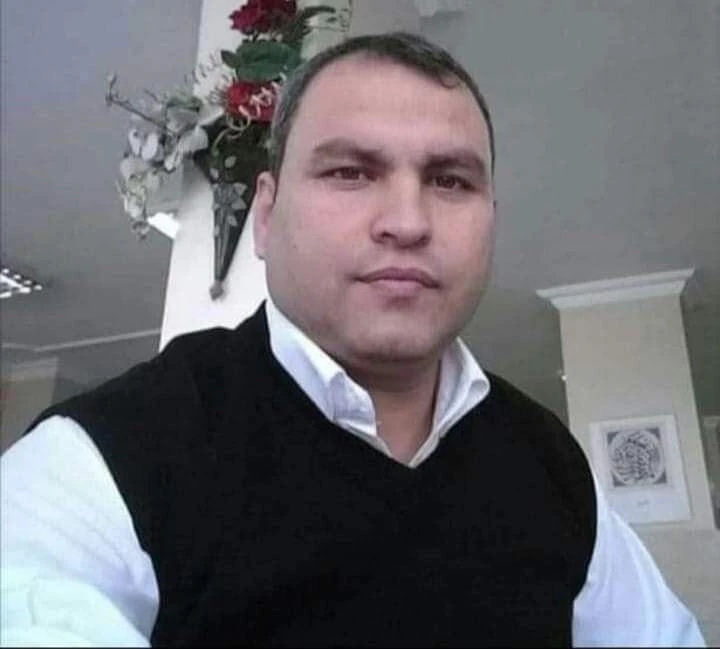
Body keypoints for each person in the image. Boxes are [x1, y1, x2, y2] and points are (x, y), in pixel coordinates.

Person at [0, 32, 705, 647]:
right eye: (350, 172)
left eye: (450, 180)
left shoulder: (555, 469)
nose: (407, 221)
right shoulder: (102, 461)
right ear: (267, 215)